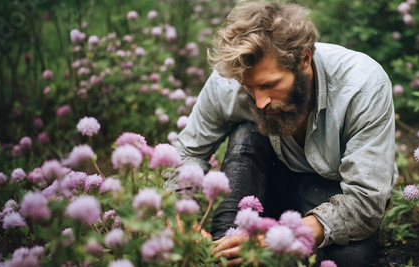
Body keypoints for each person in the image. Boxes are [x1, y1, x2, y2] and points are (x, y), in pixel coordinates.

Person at [165, 0, 397, 266]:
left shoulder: (363, 85)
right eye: (249, 88)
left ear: (305, 59)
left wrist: (287, 235)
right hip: (269, 181)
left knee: (349, 258)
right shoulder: (230, 80)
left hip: (333, 190)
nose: (260, 101)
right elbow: (187, 153)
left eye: (270, 85)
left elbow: (365, 201)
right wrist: (178, 213)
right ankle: (225, 247)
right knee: (246, 133)